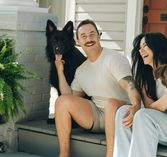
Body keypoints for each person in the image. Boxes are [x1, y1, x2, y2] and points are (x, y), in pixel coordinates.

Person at [54, 19, 141, 157]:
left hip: (122, 114)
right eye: (83, 36)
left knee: (111, 104)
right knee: (61, 101)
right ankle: (64, 154)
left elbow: (130, 85)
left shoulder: (113, 58)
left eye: (92, 34)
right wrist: (60, 70)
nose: (88, 39)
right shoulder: (82, 70)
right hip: (98, 117)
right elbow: (69, 96)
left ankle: (110, 155)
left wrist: (136, 105)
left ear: (99, 36)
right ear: (78, 41)